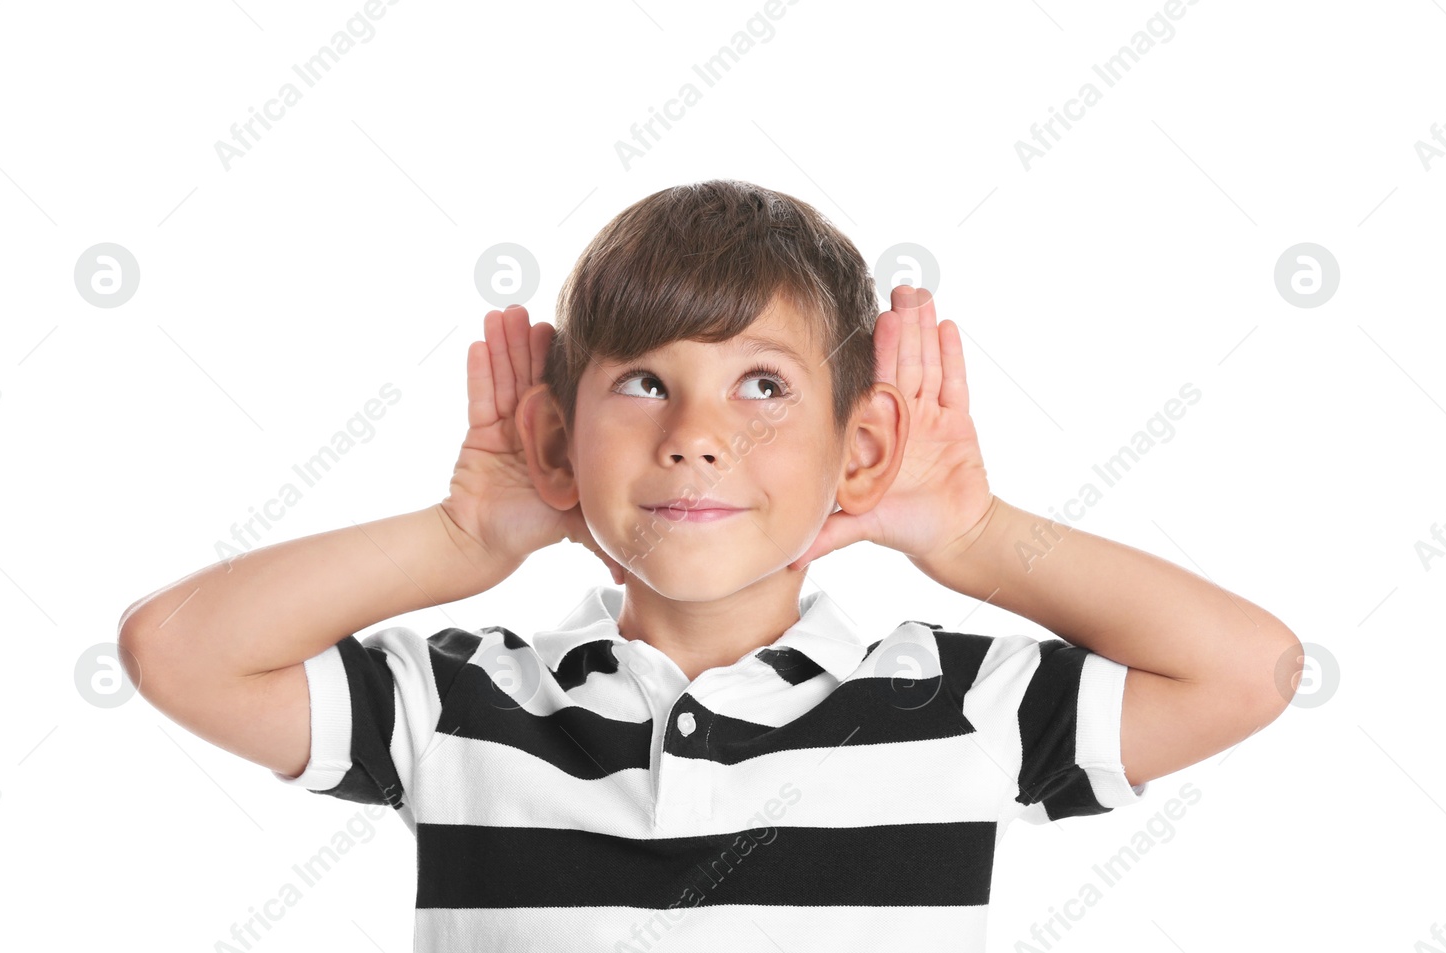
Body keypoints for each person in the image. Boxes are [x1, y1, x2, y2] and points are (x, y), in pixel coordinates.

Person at [118, 179, 1301, 952]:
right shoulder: (465, 704)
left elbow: (1248, 668)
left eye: (764, 386)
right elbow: (178, 650)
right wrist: (464, 537)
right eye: (643, 382)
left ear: (863, 448)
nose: (694, 431)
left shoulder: (954, 704)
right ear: (554, 440)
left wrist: (976, 536)